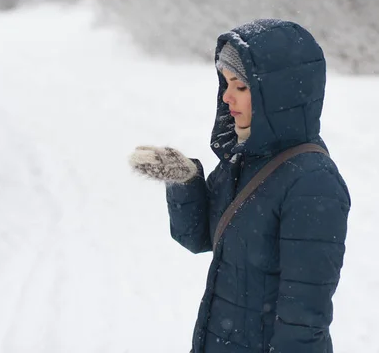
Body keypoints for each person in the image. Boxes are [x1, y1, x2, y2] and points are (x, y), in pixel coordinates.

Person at [130, 19, 350, 353]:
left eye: (241, 87)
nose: (227, 96)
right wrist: (184, 179)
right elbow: (198, 237)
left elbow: (304, 322)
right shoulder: (245, 160)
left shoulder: (312, 182)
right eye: (226, 83)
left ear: (277, 96)